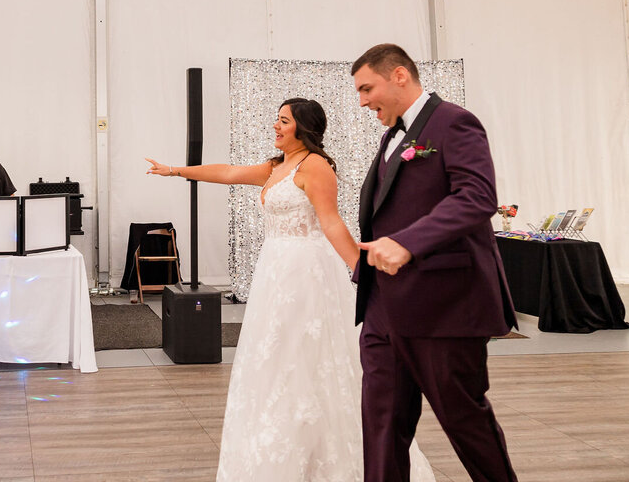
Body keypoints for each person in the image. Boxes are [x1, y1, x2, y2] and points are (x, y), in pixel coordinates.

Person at [147, 98, 433, 481]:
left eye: (283, 121)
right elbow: (229, 172)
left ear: (303, 127)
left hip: (306, 273)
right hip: (275, 271)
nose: (276, 127)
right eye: (276, 120)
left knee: (308, 358)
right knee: (276, 359)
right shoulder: (274, 167)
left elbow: (331, 223)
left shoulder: (315, 167)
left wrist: (361, 273)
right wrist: (175, 171)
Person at [351, 43, 517, 482]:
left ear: (400, 76)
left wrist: (407, 243)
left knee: (465, 423)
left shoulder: (454, 123)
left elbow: (478, 197)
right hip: (383, 309)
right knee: (382, 427)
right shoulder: (392, 136)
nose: (363, 100)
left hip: (444, 307)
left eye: (367, 88)